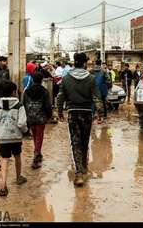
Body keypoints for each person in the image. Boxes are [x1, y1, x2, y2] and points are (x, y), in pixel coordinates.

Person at [57, 52, 97, 187]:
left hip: (73, 113)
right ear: (84, 63)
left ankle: (79, 173)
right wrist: (100, 114)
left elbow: (60, 96)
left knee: (75, 141)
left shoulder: (66, 78)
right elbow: (96, 98)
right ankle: (83, 168)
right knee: (85, 141)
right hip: (87, 113)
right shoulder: (91, 78)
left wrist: (59, 111)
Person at [0, 80, 28, 197]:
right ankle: (18, 177)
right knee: (17, 157)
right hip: (16, 138)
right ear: (13, 92)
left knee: (4, 159)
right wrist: (25, 131)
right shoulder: (19, 106)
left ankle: (3, 185)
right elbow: (21, 124)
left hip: (3, 138)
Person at [23, 72, 53, 169]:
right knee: (39, 136)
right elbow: (48, 106)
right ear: (41, 80)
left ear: (32, 79)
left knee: (35, 135)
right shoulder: (44, 91)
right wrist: (49, 116)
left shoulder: (27, 91)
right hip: (41, 118)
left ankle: (38, 152)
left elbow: (24, 104)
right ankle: (36, 155)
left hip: (30, 117)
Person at [90, 60, 111, 124]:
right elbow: (108, 81)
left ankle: (92, 116)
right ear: (100, 64)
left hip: (93, 90)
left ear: (95, 63)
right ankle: (103, 117)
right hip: (102, 90)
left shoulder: (91, 71)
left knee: (93, 103)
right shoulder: (104, 71)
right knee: (103, 103)